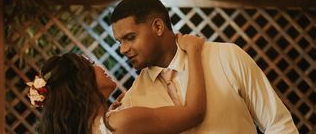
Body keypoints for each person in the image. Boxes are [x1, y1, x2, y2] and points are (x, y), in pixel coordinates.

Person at [111, 0, 299, 134]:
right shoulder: (133, 99)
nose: (123, 49)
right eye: (120, 42)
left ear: (158, 27)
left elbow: (279, 124)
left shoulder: (226, 56)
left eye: (130, 37)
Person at [29, 33, 206, 134]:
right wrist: (193, 50)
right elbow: (194, 113)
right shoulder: (120, 122)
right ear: (83, 82)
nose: (99, 66)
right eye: (91, 65)